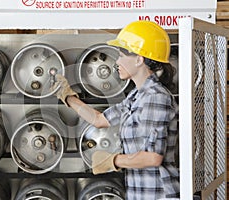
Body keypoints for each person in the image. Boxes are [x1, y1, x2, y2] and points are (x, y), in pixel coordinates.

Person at [52, 20, 180, 199]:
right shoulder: (137, 95)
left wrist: (113, 160)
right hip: (140, 192)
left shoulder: (155, 98)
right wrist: (68, 97)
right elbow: (99, 120)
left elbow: (152, 158)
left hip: (158, 193)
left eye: (121, 56)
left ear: (138, 59)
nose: (117, 62)